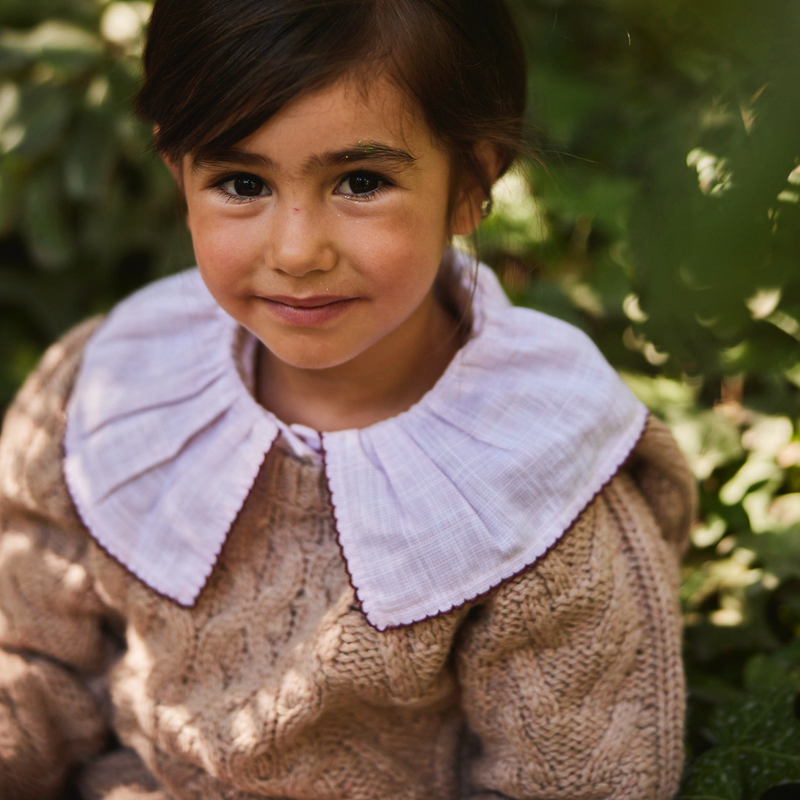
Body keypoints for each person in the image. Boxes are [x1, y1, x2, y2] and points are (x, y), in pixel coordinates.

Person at [0, 0, 697, 798]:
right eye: (241, 182)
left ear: (471, 183)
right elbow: (32, 663)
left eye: (361, 182)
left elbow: (577, 780)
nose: (297, 251)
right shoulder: (112, 389)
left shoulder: (538, 478)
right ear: (178, 175)